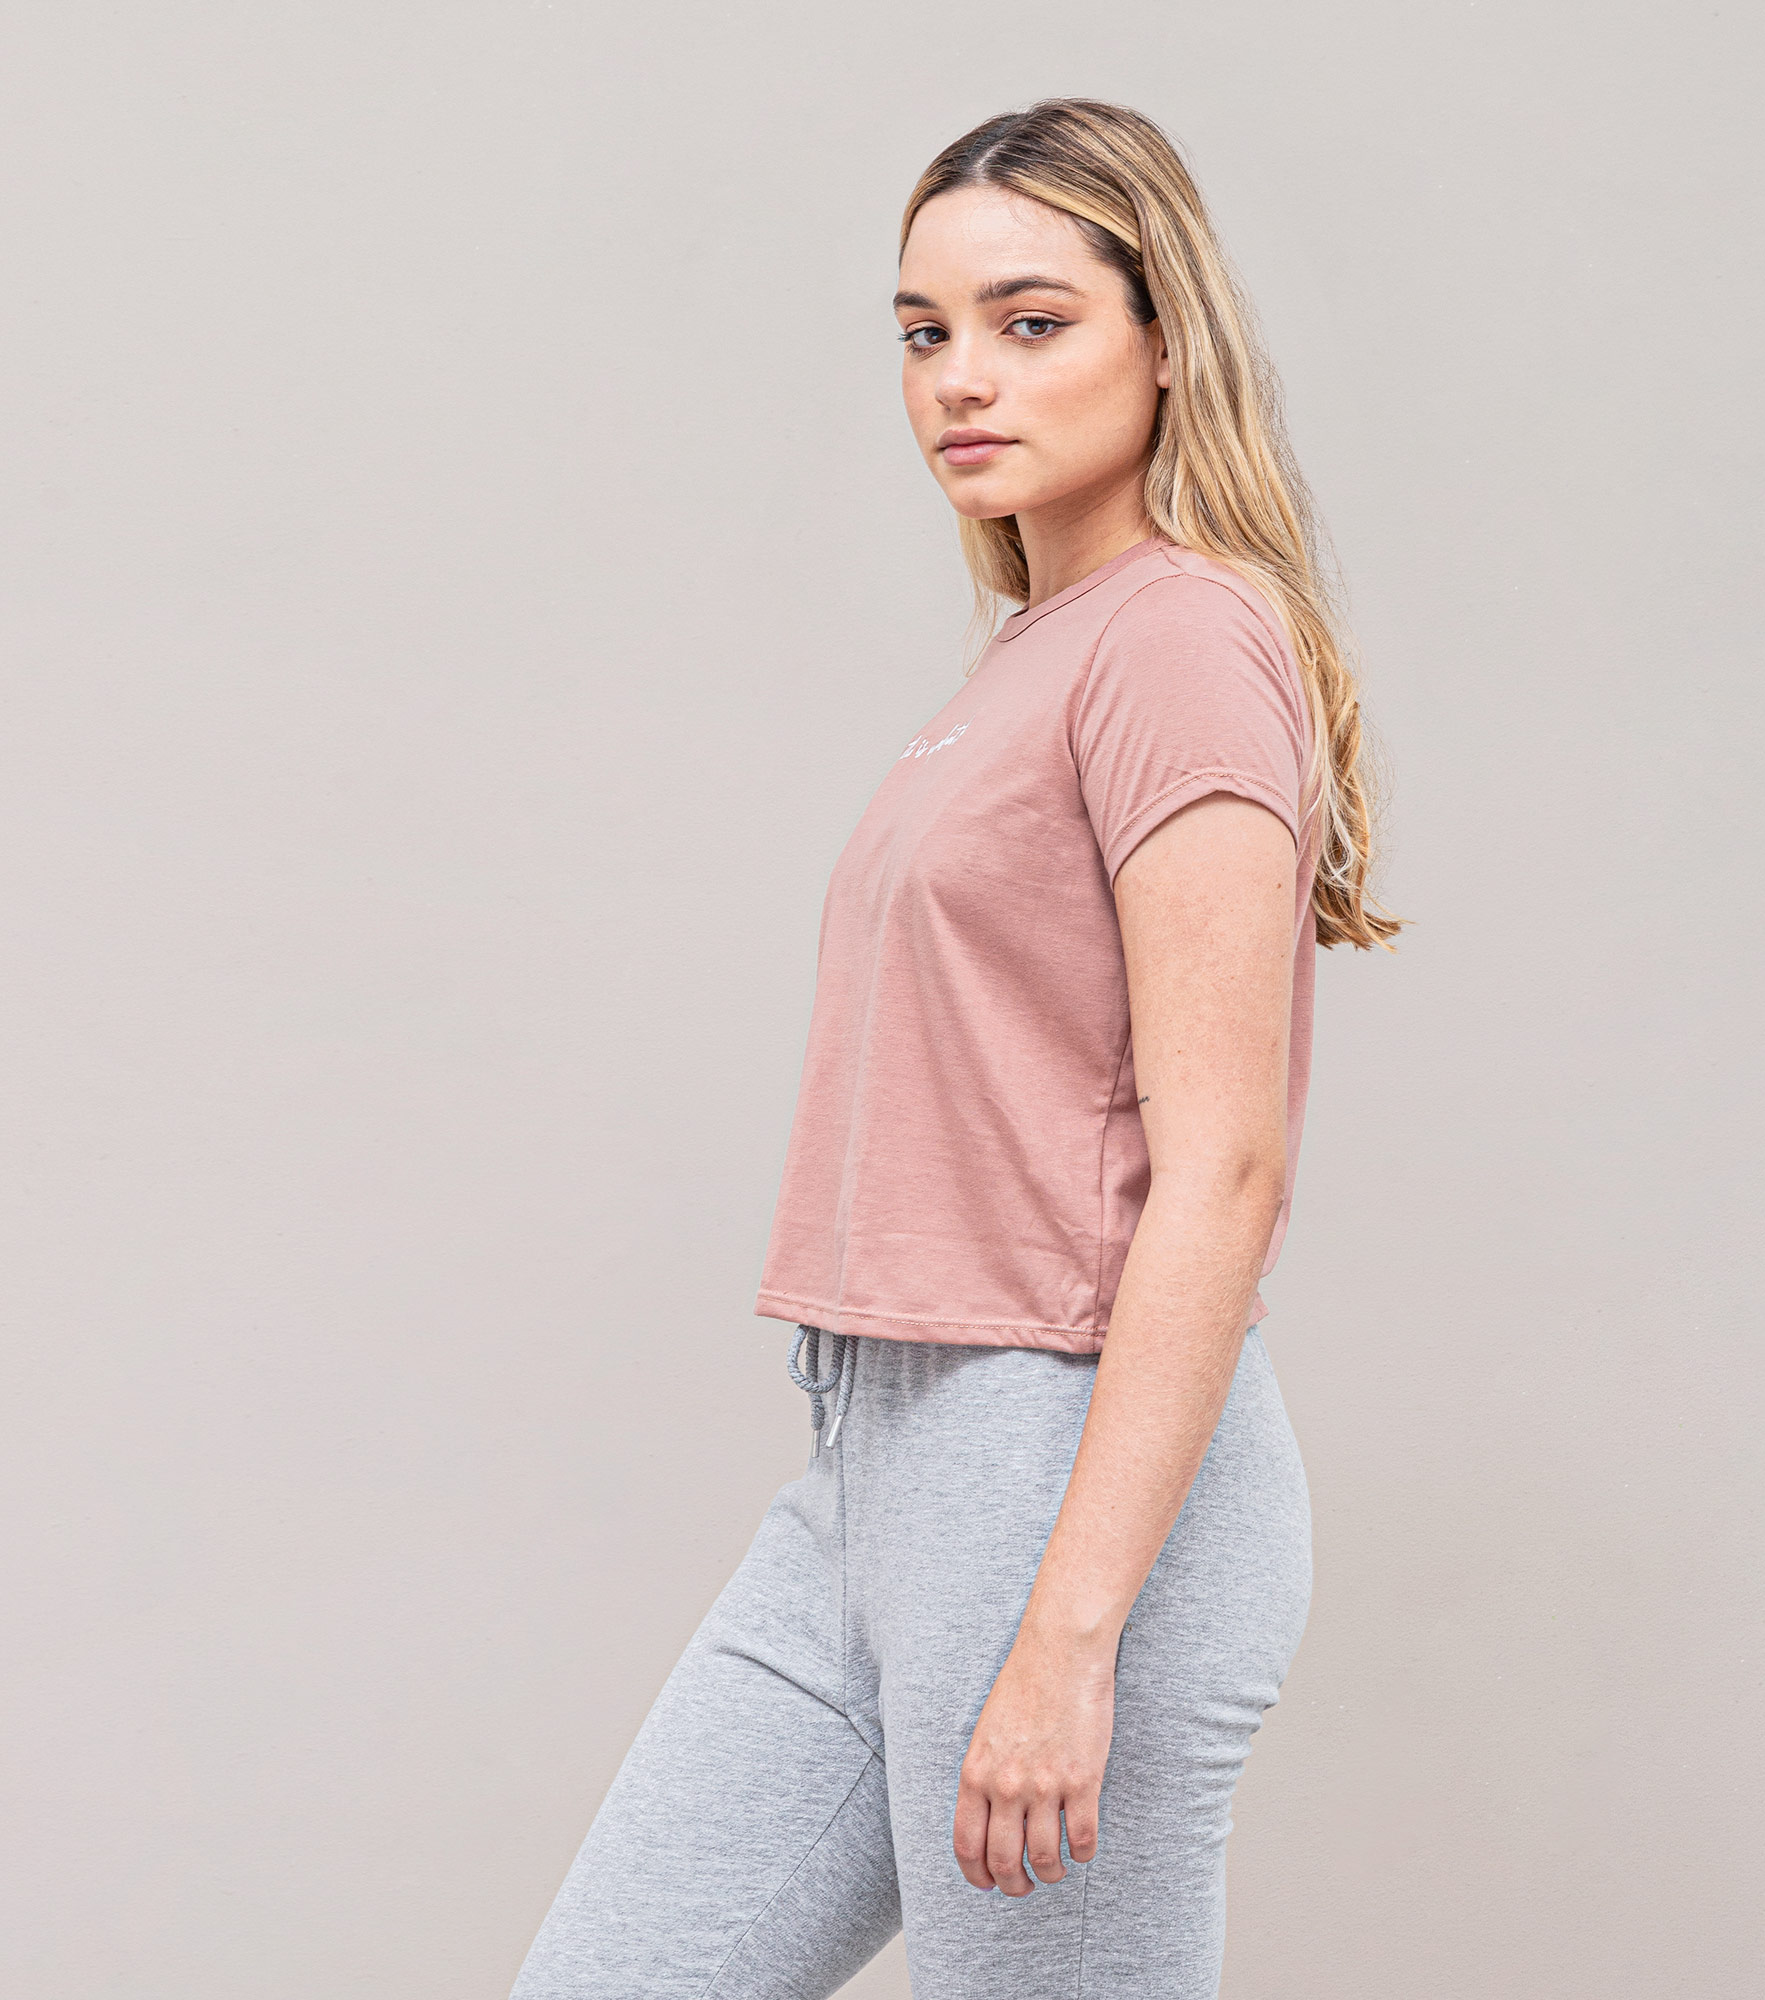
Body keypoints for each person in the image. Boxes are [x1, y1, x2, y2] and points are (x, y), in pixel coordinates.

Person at [510, 96, 1401, 2000]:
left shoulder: (1179, 639)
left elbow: (1227, 1165)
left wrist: (1072, 1629)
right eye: (924, 332)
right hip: (874, 1462)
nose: (960, 379)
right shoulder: (1035, 652)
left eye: (1031, 321)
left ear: (1168, 337)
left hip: (1058, 1470)